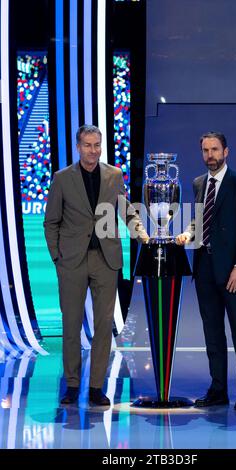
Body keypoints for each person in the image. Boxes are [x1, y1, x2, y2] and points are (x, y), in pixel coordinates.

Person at [44, 125, 149, 406]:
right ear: (78, 147)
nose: (93, 150)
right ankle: (72, 385)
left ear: (101, 146)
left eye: (97, 145)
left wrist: (142, 233)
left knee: (104, 325)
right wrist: (58, 258)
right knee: (71, 324)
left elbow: (127, 210)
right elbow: (51, 222)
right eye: (88, 145)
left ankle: (96, 388)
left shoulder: (114, 175)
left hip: (106, 259)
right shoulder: (62, 178)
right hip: (72, 262)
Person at [177, 131, 236, 411]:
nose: (209, 155)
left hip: (232, 271)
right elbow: (199, 221)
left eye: (214, 150)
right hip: (204, 270)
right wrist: (187, 234)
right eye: (205, 150)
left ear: (226, 152)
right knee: (212, 332)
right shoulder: (198, 183)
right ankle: (218, 389)